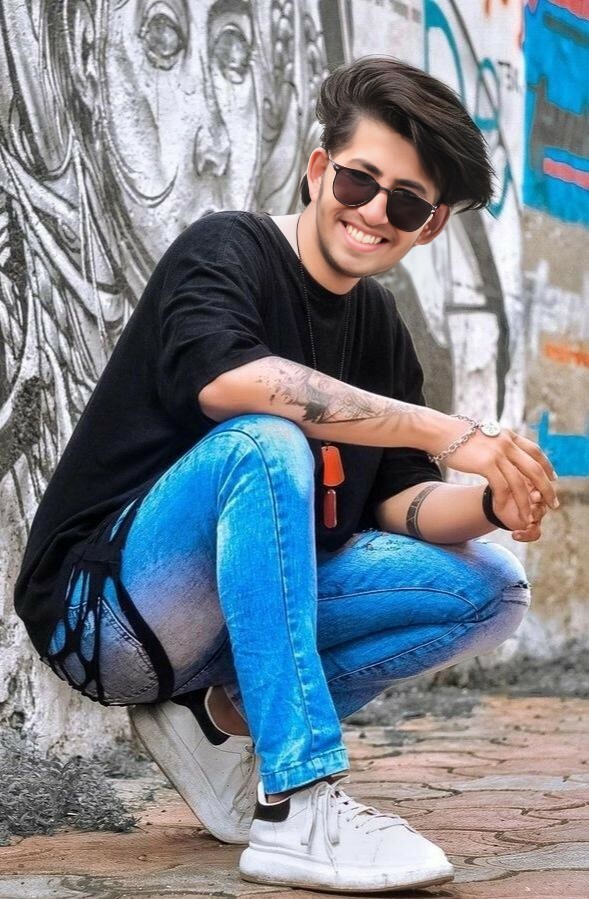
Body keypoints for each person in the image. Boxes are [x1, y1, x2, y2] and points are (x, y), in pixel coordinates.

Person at [14, 56, 558, 893]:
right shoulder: (225, 250)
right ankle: (298, 803)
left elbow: (398, 502)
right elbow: (231, 382)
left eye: (404, 203)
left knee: (492, 587)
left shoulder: (379, 325)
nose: (372, 212)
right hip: (101, 611)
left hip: (219, 634)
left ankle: (216, 719)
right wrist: (452, 431)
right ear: (317, 170)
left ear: (428, 227)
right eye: (358, 181)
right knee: (267, 443)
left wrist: (494, 498)